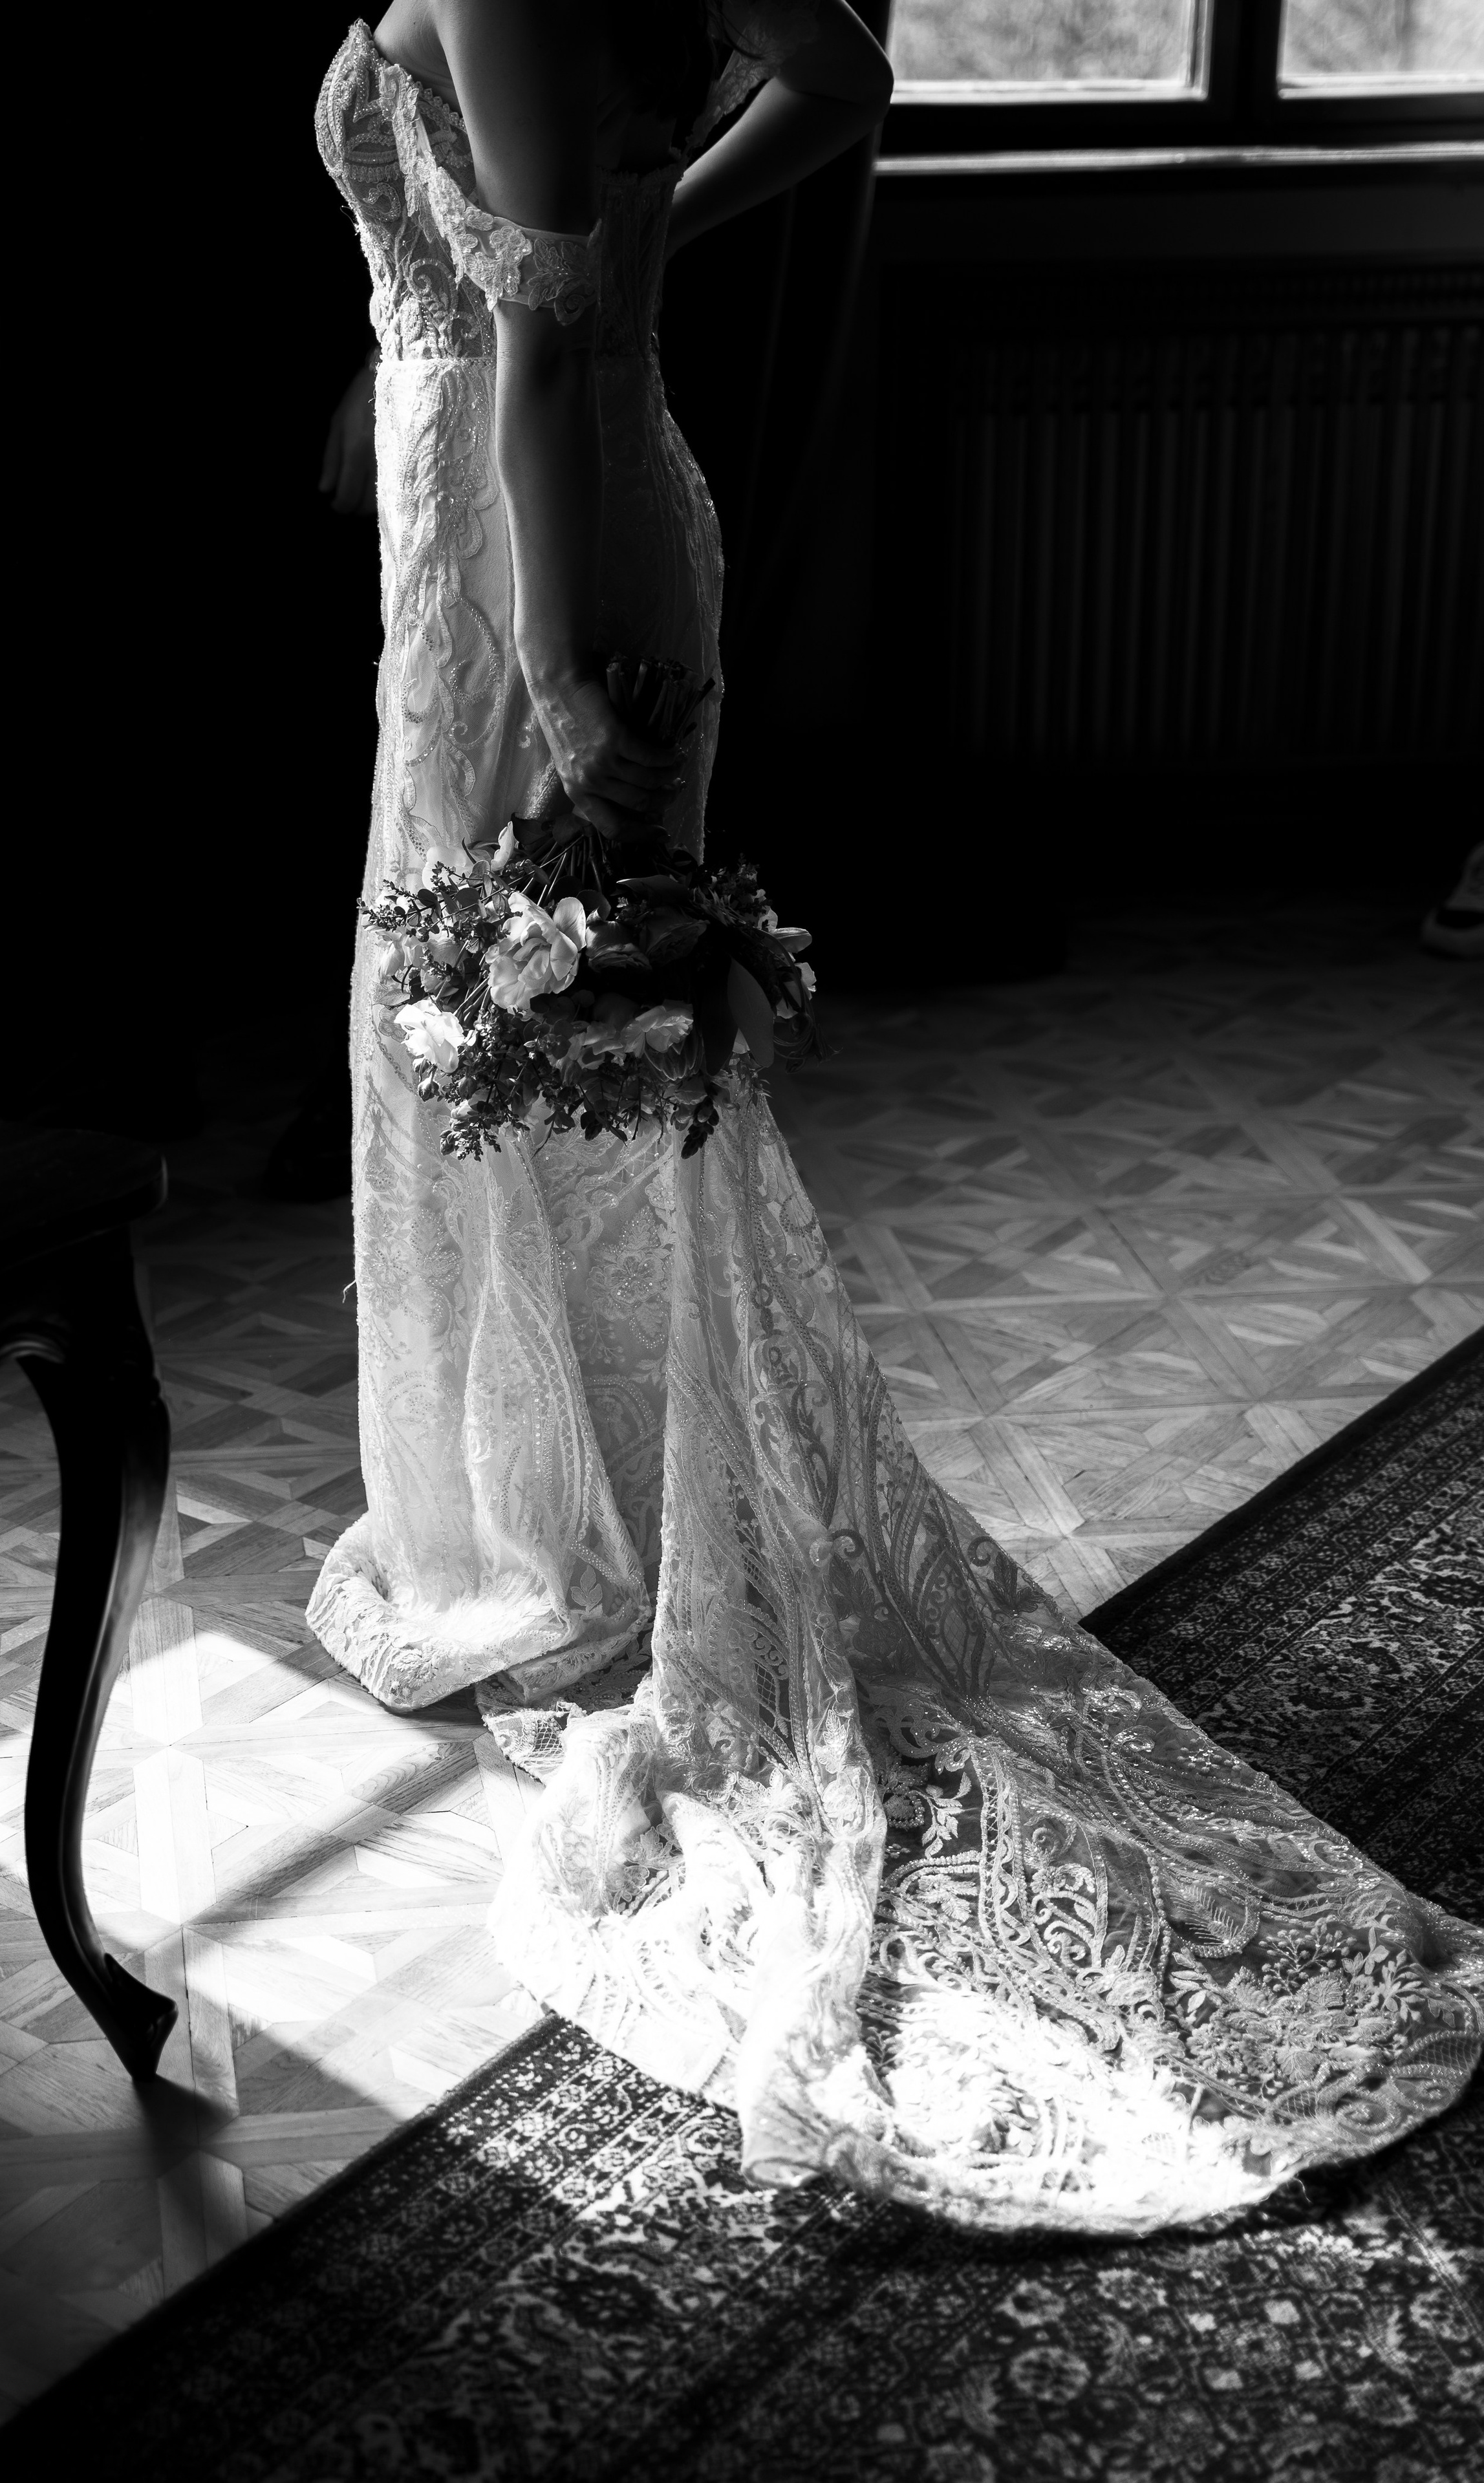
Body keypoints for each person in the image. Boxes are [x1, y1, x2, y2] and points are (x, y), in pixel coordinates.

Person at [307, 0, 1483, 2233]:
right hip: (507, 498)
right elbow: (839, 75)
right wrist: (642, 233)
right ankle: (542, 1503)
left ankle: (609, 1536)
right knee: (516, 1066)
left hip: (533, 547)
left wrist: (563, 691)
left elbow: (554, 346)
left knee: (558, 1056)